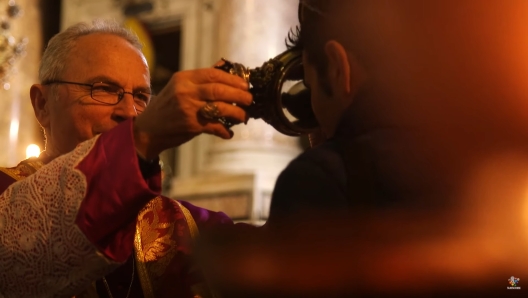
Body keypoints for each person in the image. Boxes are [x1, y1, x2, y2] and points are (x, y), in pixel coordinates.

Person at [201, 0, 528, 296]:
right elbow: (512, 282)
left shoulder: (320, 178)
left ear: (338, 67)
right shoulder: (493, 173)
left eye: (311, 88)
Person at [0, 19, 253, 298]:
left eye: (142, 96)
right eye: (104, 89)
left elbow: (279, 261)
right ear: (43, 104)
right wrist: (142, 137)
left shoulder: (175, 222)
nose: (130, 112)